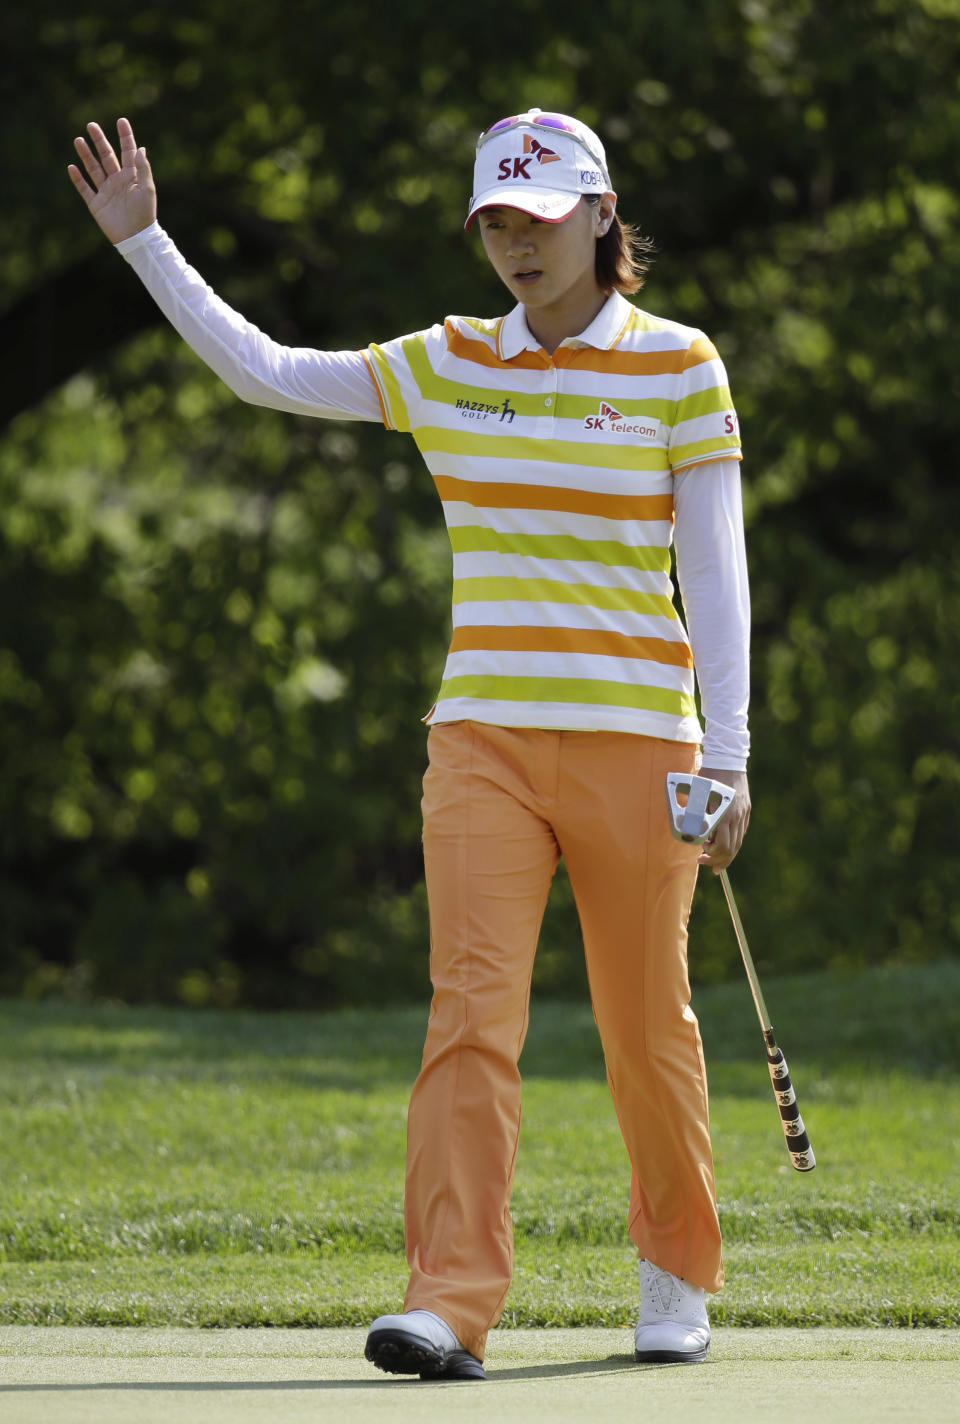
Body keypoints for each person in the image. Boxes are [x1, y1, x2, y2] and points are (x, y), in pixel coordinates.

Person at [69, 108, 751, 1379]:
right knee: (469, 1018)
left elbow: (716, 576)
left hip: (638, 746)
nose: (516, 245)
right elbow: (266, 370)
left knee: (645, 1023)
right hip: (483, 739)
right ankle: (449, 1297)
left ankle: (673, 1269)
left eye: (540, 221)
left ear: (603, 218)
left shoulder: (679, 366)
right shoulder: (446, 363)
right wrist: (147, 244)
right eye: (497, 220)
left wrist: (731, 756)